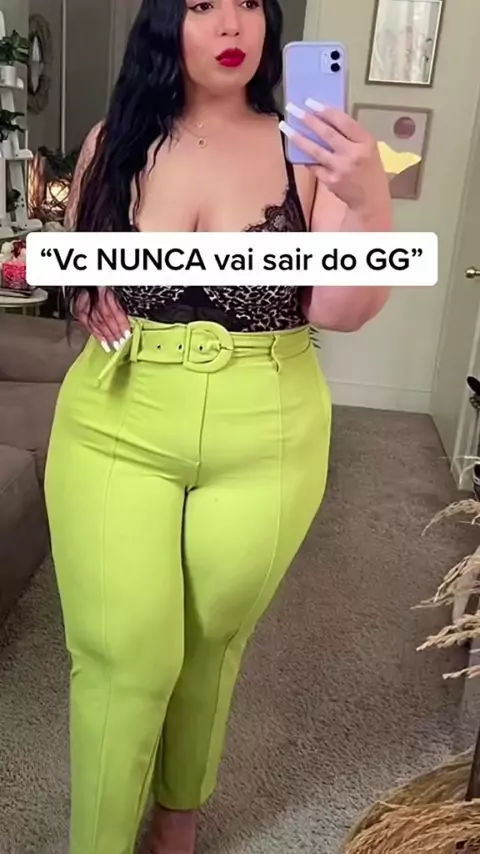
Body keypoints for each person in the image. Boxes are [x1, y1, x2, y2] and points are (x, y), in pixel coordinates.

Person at [44, 1, 392, 853]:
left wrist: (368, 198)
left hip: (268, 426)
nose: (232, 25)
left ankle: (178, 819)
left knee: (210, 643)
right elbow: (80, 268)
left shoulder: (309, 150)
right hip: (118, 414)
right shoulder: (110, 142)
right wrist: (88, 288)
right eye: (203, 5)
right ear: (168, 22)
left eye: (247, 4)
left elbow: (338, 310)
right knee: (127, 656)